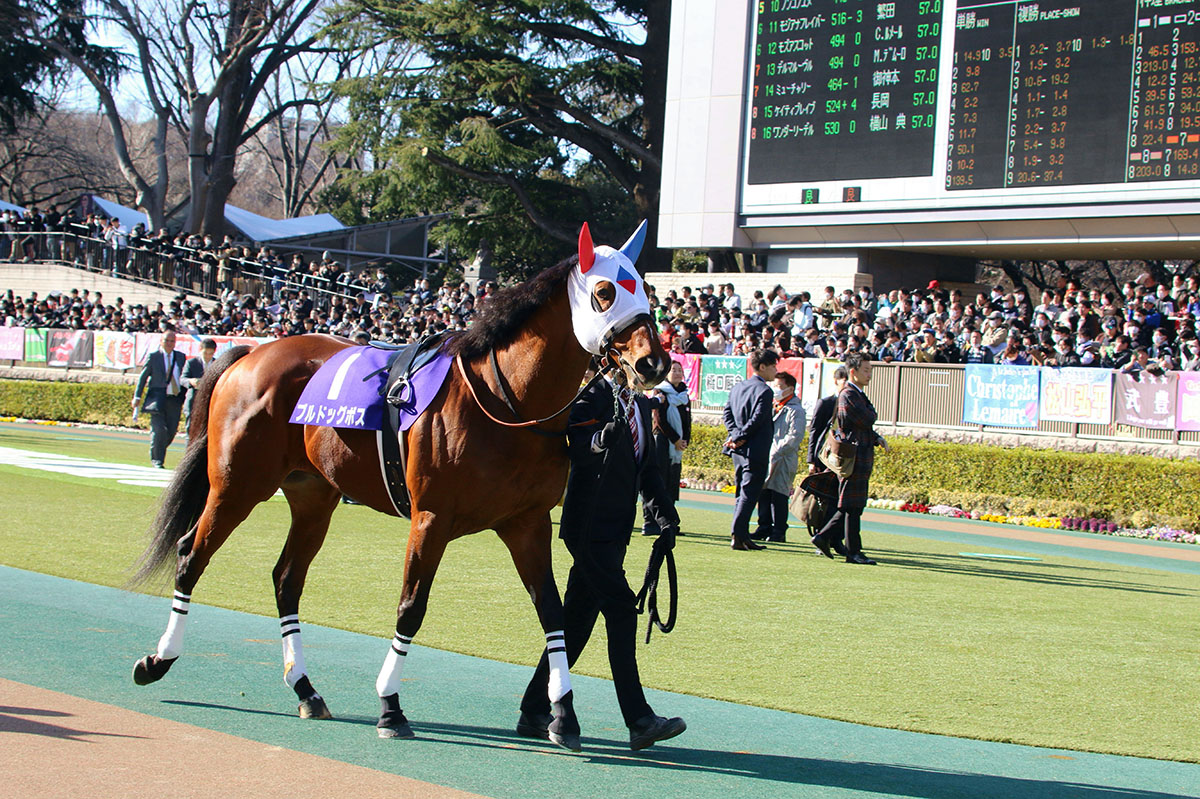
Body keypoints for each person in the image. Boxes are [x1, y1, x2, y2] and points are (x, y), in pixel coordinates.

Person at [518, 365, 685, 752]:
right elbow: (574, 444)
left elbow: (649, 472)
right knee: (623, 609)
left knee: (575, 624)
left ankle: (533, 709)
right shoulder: (590, 397)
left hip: (616, 533)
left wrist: (666, 519)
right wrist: (598, 439)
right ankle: (639, 718)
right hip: (587, 530)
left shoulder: (642, 407)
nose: (648, 372)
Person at [811, 352, 889, 565]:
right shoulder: (849, 394)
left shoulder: (855, 394)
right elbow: (866, 418)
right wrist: (871, 417)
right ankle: (849, 549)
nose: (869, 375)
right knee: (851, 505)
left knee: (852, 505)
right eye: (866, 370)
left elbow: (863, 423)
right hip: (853, 456)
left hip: (857, 455)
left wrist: (876, 437)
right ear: (853, 372)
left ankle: (828, 539)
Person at [722, 348, 779, 551]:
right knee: (749, 493)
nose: (775, 370)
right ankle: (738, 534)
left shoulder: (738, 387)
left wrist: (735, 434)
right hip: (754, 449)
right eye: (773, 366)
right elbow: (758, 419)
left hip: (739, 450)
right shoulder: (764, 391)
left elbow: (727, 413)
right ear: (762, 366)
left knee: (741, 492)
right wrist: (740, 436)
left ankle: (743, 535)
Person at [752, 370, 806, 543]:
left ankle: (779, 530)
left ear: (790, 389)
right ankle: (764, 526)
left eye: (780, 387)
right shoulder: (774, 406)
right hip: (768, 455)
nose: (776, 390)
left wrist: (778, 449)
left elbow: (795, 436)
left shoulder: (795, 410)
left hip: (783, 458)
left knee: (779, 494)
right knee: (764, 492)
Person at [641, 360, 691, 537]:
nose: (677, 373)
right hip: (661, 442)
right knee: (656, 481)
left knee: (671, 483)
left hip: (676, 446)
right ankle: (650, 522)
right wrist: (675, 439)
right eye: (673, 370)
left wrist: (684, 440)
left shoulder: (684, 394)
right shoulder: (660, 391)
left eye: (679, 370)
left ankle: (669, 521)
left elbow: (687, 420)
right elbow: (659, 420)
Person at [805, 366, 850, 557]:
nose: (847, 384)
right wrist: (811, 460)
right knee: (824, 500)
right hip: (825, 457)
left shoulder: (851, 404)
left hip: (844, 458)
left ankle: (836, 539)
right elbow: (814, 431)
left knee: (840, 500)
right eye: (844, 380)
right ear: (836, 380)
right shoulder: (826, 403)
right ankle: (820, 537)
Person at [131, 328, 187, 468]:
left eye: (172, 341)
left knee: (172, 430)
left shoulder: (180, 357)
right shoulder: (153, 356)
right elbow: (143, 377)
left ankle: (159, 448)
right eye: (166, 340)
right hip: (156, 398)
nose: (169, 343)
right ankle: (157, 460)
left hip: (174, 398)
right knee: (158, 430)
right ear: (161, 341)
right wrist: (137, 396)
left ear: (175, 343)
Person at [181, 338, 218, 433]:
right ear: (200, 349)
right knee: (191, 429)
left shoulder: (217, 364)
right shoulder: (191, 363)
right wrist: (191, 381)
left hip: (210, 401)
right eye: (205, 353)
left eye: (211, 353)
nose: (208, 356)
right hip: (194, 399)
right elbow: (182, 379)